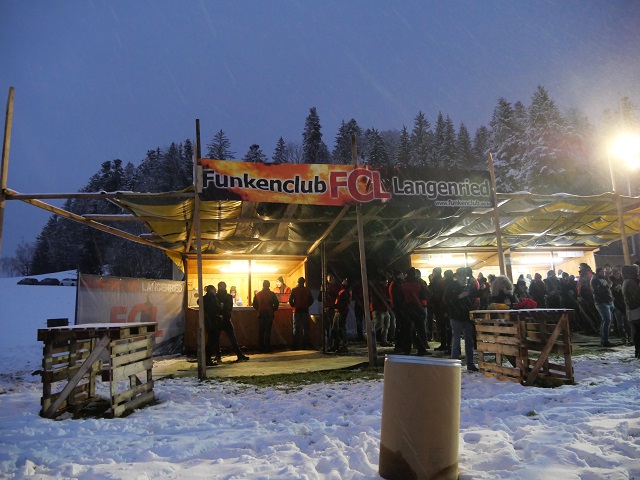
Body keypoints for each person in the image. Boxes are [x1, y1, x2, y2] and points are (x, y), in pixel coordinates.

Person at [445, 267, 479, 371]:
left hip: (466, 315)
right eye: (463, 275)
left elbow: (474, 295)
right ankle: (454, 363)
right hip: (456, 315)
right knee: (456, 340)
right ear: (458, 276)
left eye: (465, 276)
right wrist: (459, 296)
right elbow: (447, 300)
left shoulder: (467, 286)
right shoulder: (451, 286)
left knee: (469, 340)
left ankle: (470, 363)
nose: (464, 277)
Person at [215, 281, 250, 362]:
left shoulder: (218, 296)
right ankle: (238, 354)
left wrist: (220, 310)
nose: (222, 288)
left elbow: (226, 307)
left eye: (223, 286)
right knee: (229, 338)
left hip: (221, 319)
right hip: (225, 319)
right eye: (222, 286)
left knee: (219, 339)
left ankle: (219, 355)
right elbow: (229, 308)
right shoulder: (228, 296)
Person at [400, 267, 430, 356]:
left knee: (407, 330)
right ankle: (422, 348)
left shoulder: (402, 285)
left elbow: (400, 298)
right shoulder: (419, 284)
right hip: (417, 307)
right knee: (420, 329)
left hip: (406, 308)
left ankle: (406, 349)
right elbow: (425, 295)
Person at [253, 279, 279, 353]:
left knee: (261, 331)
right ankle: (267, 347)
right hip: (269, 314)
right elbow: (276, 304)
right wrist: (272, 309)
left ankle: (261, 347)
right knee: (268, 331)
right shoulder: (272, 294)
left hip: (261, 314)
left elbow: (254, 304)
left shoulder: (258, 294)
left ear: (263, 285)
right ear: (269, 285)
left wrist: (259, 309)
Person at [591, 267, 615, 347]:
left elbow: (609, 287)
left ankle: (604, 339)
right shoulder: (595, 280)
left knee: (606, 321)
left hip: (607, 301)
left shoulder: (603, 279)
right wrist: (605, 287)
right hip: (602, 302)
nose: (604, 273)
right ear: (599, 272)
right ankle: (605, 340)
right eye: (603, 272)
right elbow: (597, 291)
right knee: (607, 320)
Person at [289, 277, 314, 350]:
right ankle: (305, 345)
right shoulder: (307, 290)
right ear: (304, 282)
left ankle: (295, 345)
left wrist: (294, 305)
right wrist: (307, 305)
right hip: (305, 310)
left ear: (298, 282)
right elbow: (311, 300)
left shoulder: (294, 290)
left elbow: (290, 300)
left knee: (296, 328)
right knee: (305, 328)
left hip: (297, 310)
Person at [621, 264, 640, 358]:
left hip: (632, 310)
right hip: (636, 310)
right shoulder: (630, 282)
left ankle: (638, 351)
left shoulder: (626, 281)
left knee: (636, 332)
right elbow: (636, 297)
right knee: (638, 332)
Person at [329, 278, 351, 353]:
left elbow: (343, 303)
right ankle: (336, 345)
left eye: (345, 280)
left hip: (341, 311)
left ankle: (343, 346)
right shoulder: (342, 290)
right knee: (335, 328)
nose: (343, 281)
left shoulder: (345, 291)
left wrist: (334, 306)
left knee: (340, 328)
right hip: (338, 311)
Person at [201, 285, 220, 366]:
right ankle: (207, 358)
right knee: (212, 340)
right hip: (211, 321)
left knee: (212, 339)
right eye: (214, 289)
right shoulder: (211, 298)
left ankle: (207, 358)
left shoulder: (207, 297)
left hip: (210, 320)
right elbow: (214, 308)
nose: (215, 291)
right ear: (211, 290)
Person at [370, 276, 392, 346]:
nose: (387, 283)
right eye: (386, 282)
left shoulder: (384, 288)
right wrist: (385, 301)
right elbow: (377, 298)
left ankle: (383, 340)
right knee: (378, 324)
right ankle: (369, 335)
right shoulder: (377, 288)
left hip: (385, 308)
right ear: (382, 281)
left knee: (386, 325)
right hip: (378, 308)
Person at [609, 267, 629, 343]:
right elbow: (609, 291)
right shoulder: (611, 281)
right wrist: (614, 289)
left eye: (618, 273)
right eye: (615, 274)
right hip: (616, 303)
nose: (617, 275)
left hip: (624, 302)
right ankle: (623, 336)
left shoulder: (623, 280)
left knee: (626, 321)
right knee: (619, 322)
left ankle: (629, 335)